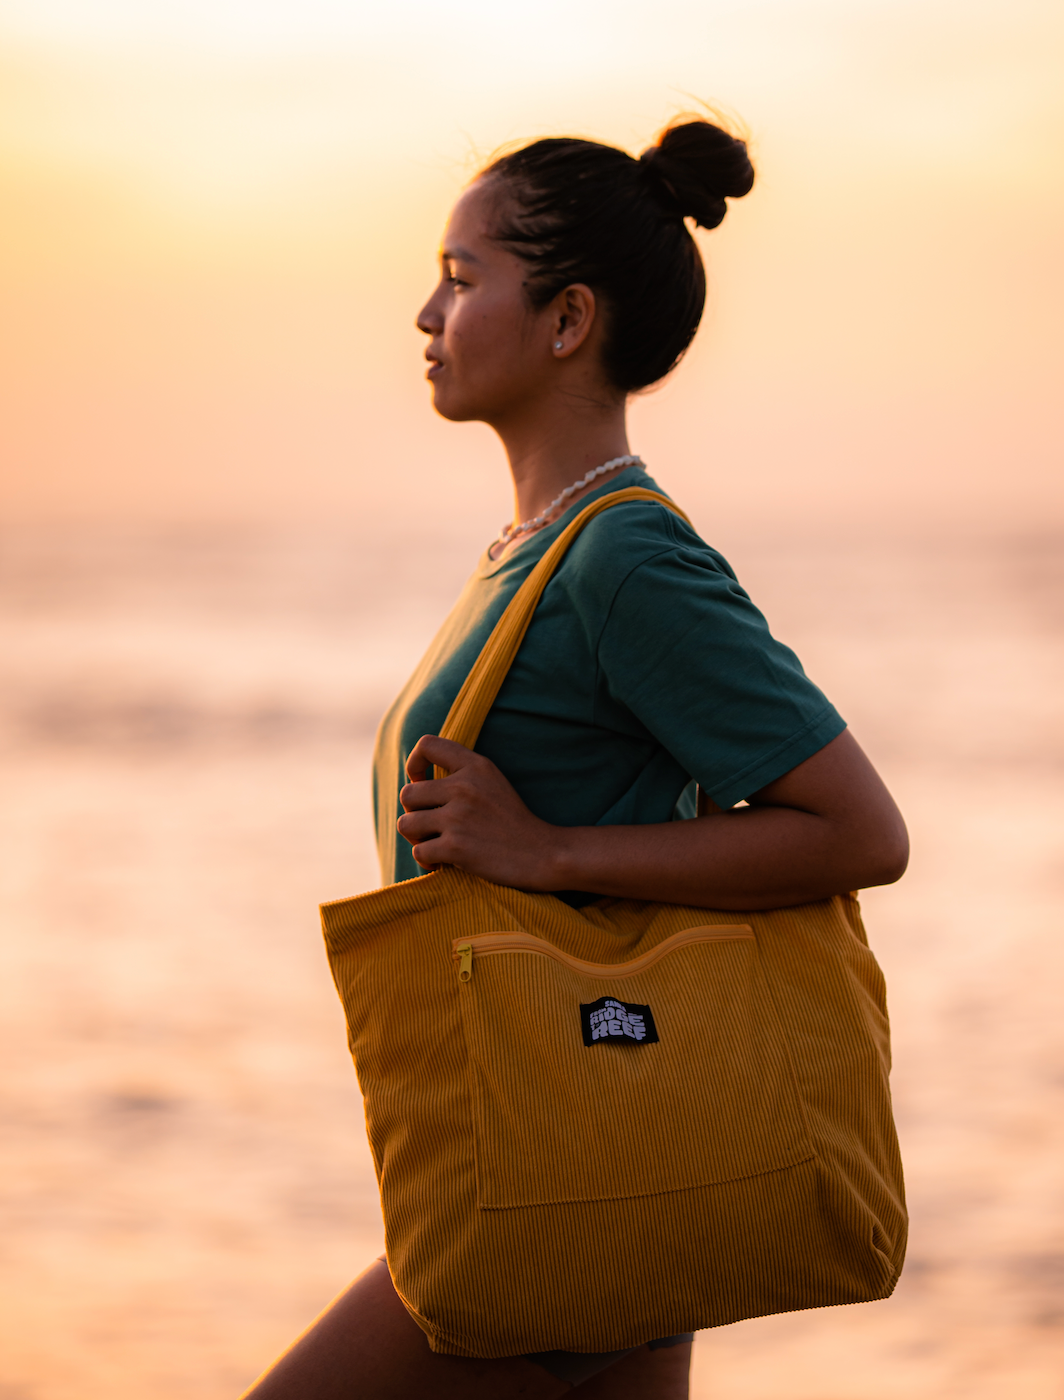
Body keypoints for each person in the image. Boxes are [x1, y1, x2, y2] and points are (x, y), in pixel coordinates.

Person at [242, 117, 908, 1400]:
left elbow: (857, 829)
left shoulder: (622, 558)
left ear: (566, 320)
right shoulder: (537, 550)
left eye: (462, 273)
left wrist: (544, 850)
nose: (426, 309)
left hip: (562, 1156)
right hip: (585, 1144)